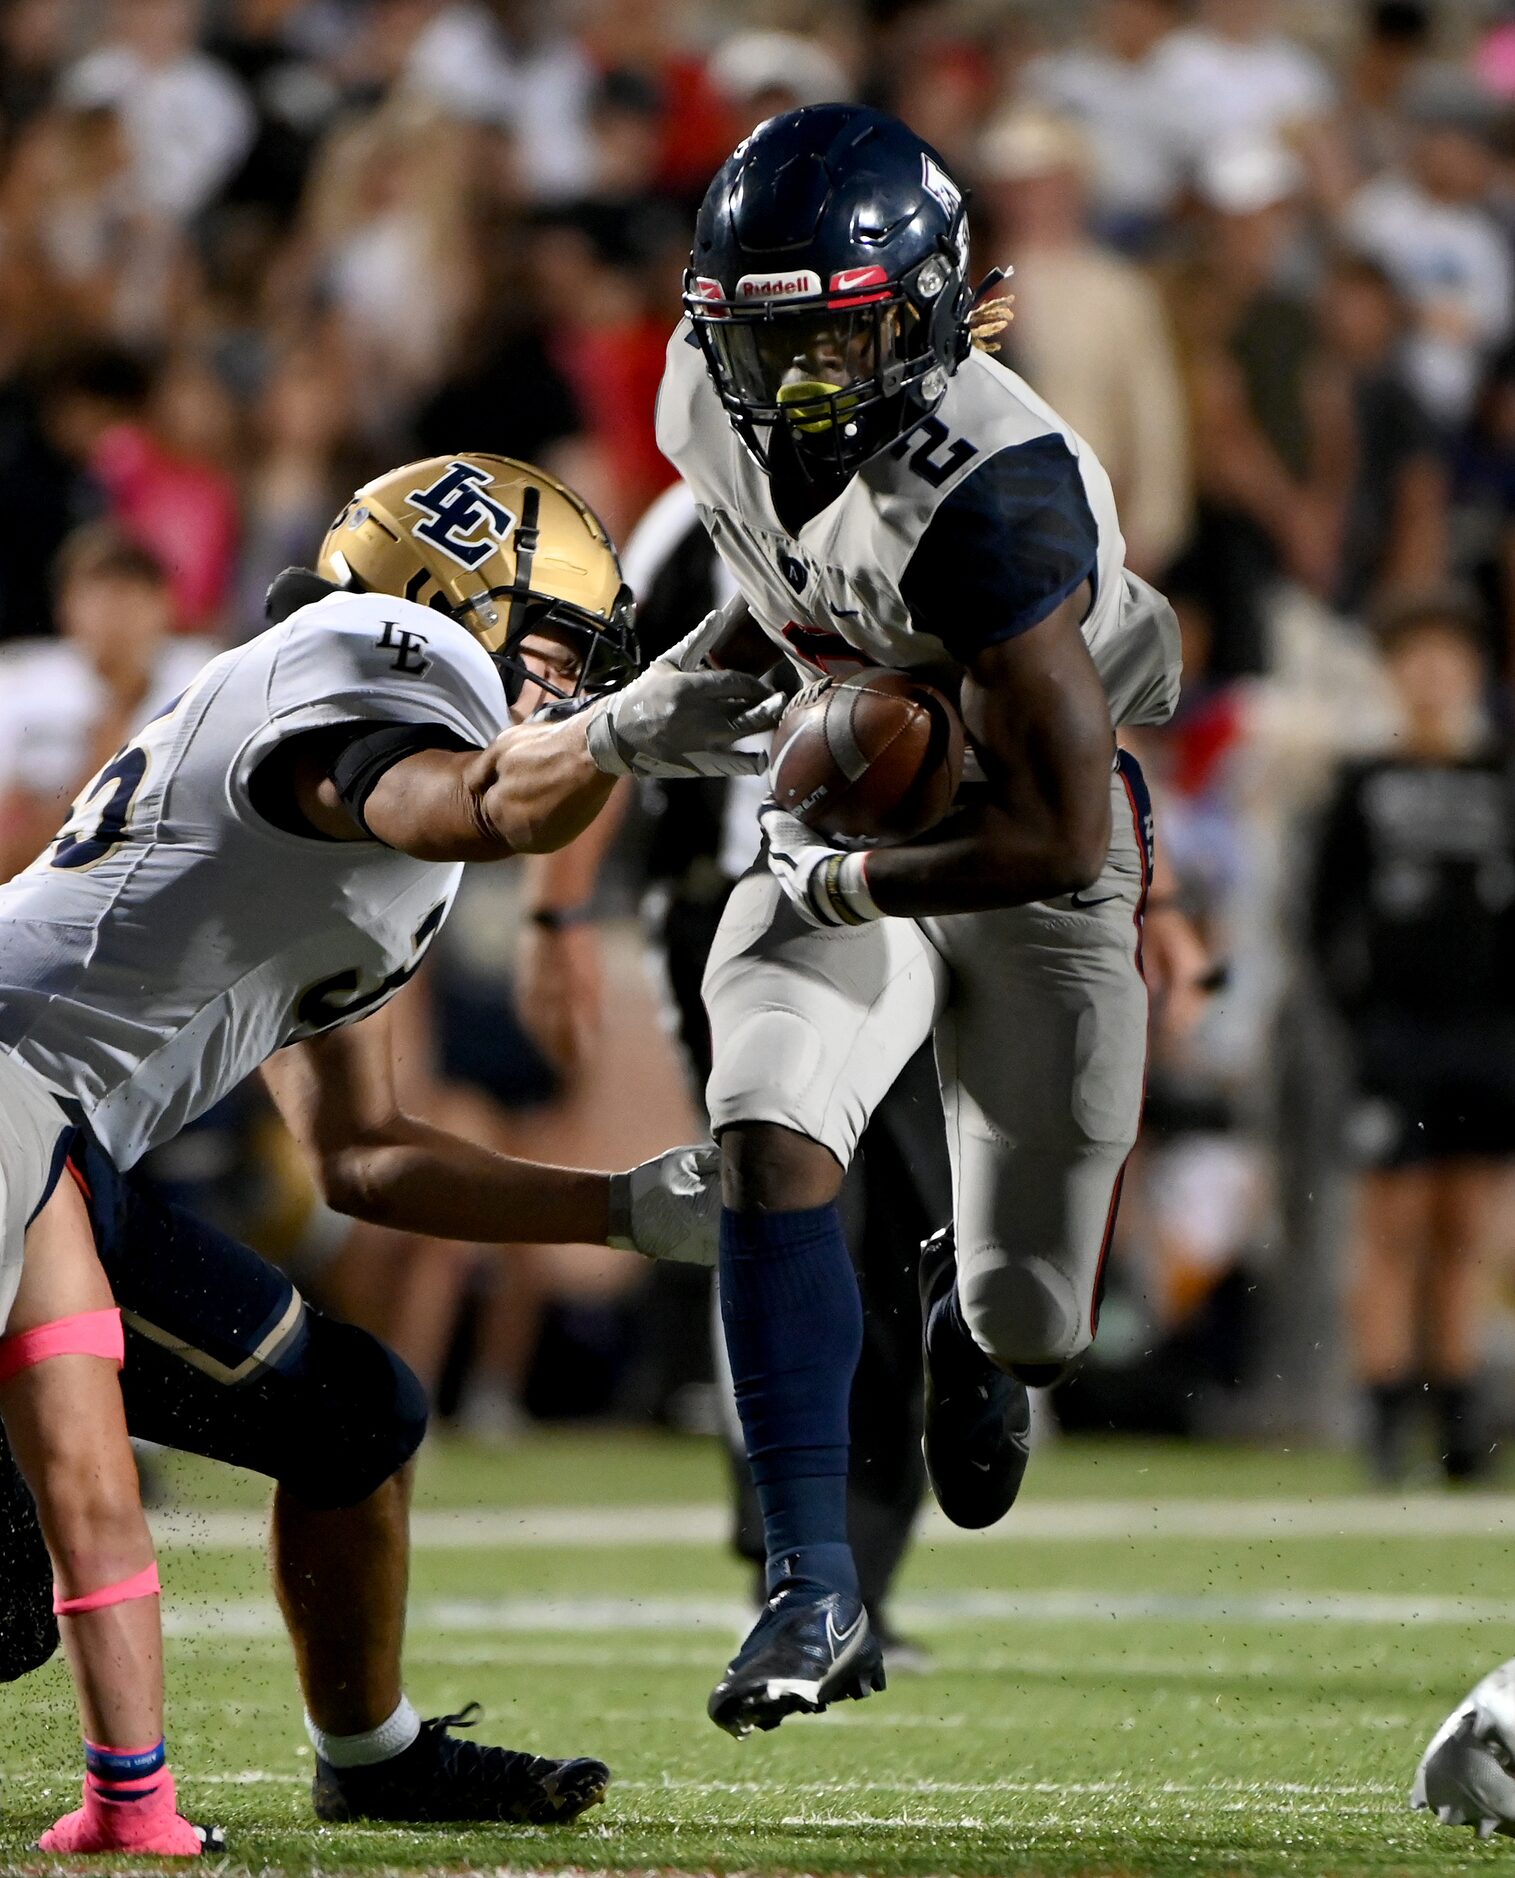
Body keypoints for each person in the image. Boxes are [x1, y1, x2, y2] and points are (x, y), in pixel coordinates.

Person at [0, 450, 764, 1832]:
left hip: (63, 1152)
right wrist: (615, 740)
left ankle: (375, 1752)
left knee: (354, 1412)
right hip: (11, 1112)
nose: (565, 691)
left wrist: (623, 1208)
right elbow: (470, 798)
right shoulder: (370, 649)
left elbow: (361, 1149)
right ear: (449, 597)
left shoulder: (377, 834)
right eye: (551, 651)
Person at [660, 105, 1181, 1736]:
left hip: (1025, 843)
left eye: (836, 334)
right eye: (767, 338)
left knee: (1039, 1313)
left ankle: (979, 1317)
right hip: (838, 807)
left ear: (935, 305)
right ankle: (808, 1580)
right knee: (765, 1117)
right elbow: (760, 590)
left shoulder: (1005, 486)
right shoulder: (704, 396)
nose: (791, 380)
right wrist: (666, 709)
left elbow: (1052, 820)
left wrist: (847, 872)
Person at [1306, 587, 1515, 1485]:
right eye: (1414, 659)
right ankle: (1385, 1410)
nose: (1432, 676)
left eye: (1448, 659)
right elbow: (1322, 917)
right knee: (1389, 1224)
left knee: (1466, 1227)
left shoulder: (1499, 776)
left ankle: (1459, 1406)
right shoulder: (1361, 782)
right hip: (1395, 1037)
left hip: (1488, 1037)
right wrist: (1356, 1016)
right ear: (1393, 675)